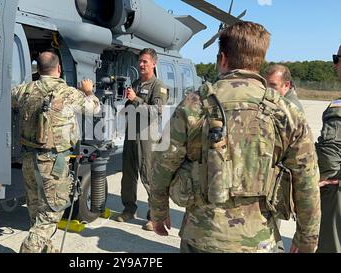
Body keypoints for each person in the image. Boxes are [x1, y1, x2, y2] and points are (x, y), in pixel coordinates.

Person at [149, 21, 321, 253]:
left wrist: (158, 213)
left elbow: (163, 164)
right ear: (260, 61)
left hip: (201, 238)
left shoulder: (194, 104)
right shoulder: (286, 111)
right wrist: (307, 238)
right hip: (259, 240)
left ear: (222, 59)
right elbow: (307, 179)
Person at [11, 50, 100, 253]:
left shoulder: (24, 90)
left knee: (36, 211)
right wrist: (88, 91)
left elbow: (9, 99)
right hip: (52, 164)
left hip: (28, 159)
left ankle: (47, 250)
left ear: (38, 69)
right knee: (51, 213)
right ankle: (30, 249)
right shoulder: (68, 93)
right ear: (58, 69)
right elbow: (94, 108)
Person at [114, 48, 168, 231]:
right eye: (140, 61)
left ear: (154, 63)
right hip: (131, 135)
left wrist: (136, 99)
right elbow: (130, 110)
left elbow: (156, 112)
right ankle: (129, 209)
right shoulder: (136, 84)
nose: (141, 64)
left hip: (147, 138)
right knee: (128, 175)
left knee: (149, 176)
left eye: (145, 61)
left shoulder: (158, 86)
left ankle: (154, 216)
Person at [315, 46, 341, 253]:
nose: (334, 64)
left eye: (337, 58)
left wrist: (323, 178)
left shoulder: (338, 108)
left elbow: (330, 154)